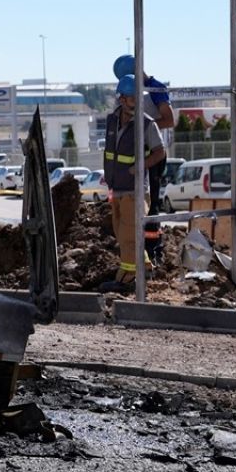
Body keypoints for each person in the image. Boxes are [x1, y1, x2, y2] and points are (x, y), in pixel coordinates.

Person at [100, 74, 166, 293]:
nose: (136, 102)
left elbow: (160, 152)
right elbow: (111, 153)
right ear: (122, 99)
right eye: (132, 98)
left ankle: (128, 279)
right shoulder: (111, 121)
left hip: (135, 190)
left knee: (128, 236)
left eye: (138, 97)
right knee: (122, 234)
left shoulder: (146, 124)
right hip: (116, 188)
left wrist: (139, 167)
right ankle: (145, 267)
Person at [113, 54, 173, 260]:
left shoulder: (155, 89)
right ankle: (136, 246)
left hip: (153, 156)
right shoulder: (127, 91)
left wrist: (145, 126)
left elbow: (169, 119)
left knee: (151, 204)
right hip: (134, 158)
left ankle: (152, 246)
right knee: (131, 206)